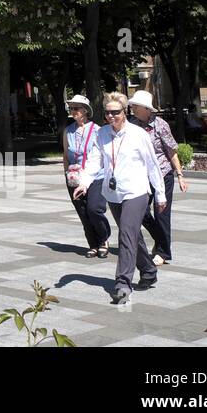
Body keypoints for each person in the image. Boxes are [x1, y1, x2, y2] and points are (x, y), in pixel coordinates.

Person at [73, 91, 167, 305]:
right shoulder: (102, 134)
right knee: (133, 235)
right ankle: (148, 270)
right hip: (113, 193)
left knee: (126, 233)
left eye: (115, 112)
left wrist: (160, 194)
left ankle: (122, 284)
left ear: (124, 112)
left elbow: (152, 166)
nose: (110, 116)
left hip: (136, 191)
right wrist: (84, 182)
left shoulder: (138, 134)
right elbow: (95, 161)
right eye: (107, 113)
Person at [128, 90, 188, 266]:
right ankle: (160, 239)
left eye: (135, 106)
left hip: (162, 174)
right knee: (142, 211)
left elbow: (171, 151)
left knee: (162, 214)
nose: (132, 108)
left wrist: (180, 175)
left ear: (146, 109)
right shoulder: (132, 124)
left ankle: (163, 252)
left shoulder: (160, 125)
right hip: (142, 176)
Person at [62, 94, 110, 258]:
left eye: (76, 108)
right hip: (74, 178)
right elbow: (65, 155)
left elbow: (102, 155)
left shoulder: (97, 130)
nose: (73, 111)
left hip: (96, 176)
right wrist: (67, 174)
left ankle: (104, 239)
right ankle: (93, 244)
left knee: (94, 209)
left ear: (85, 111)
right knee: (83, 213)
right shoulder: (68, 131)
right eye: (71, 108)